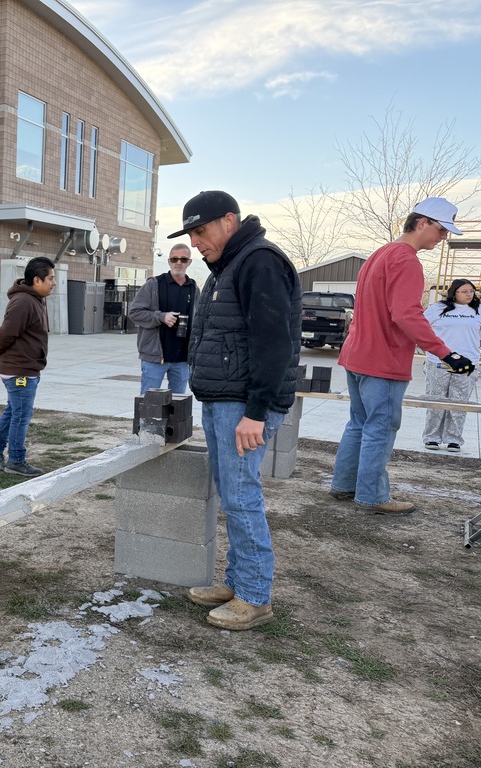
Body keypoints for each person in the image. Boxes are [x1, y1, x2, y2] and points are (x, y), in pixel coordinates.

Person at [169, 190, 302, 631]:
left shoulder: (259, 261)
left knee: (242, 497)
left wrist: (257, 412)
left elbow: (274, 340)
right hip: (224, 398)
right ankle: (238, 581)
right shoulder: (230, 264)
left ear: (230, 221)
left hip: (244, 405)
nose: (196, 241)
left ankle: (254, 597)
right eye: (191, 233)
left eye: (201, 231)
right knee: (232, 493)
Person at [330, 198, 474, 515]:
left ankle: (344, 484)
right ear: (422, 223)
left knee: (359, 423)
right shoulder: (407, 261)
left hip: (358, 356)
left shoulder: (380, 254)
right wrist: (446, 353)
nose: (443, 238)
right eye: (441, 230)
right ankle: (372, 496)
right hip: (383, 361)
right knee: (380, 428)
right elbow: (407, 315)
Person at [0, 256, 56, 477]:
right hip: (19, 370)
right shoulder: (24, 302)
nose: (53, 283)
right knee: (21, 415)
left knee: (14, 411)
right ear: (37, 280)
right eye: (51, 278)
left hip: (24, 367)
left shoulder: (35, 299)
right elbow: (5, 332)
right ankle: (16, 460)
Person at [127, 243, 200, 394]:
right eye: (174, 259)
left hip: (182, 359)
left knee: (178, 407)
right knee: (149, 404)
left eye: (183, 259)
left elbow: (199, 320)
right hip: (155, 358)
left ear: (189, 262)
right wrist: (161, 317)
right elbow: (134, 312)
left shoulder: (193, 288)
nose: (178, 263)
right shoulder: (154, 285)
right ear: (169, 261)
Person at [422, 279, 481, 452]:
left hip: (467, 362)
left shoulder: (477, 310)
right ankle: (431, 437)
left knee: (459, 402)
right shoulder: (437, 309)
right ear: (454, 292)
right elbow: (421, 328)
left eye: (471, 291)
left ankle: (453, 439)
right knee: (436, 399)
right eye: (464, 291)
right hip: (439, 361)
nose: (469, 294)